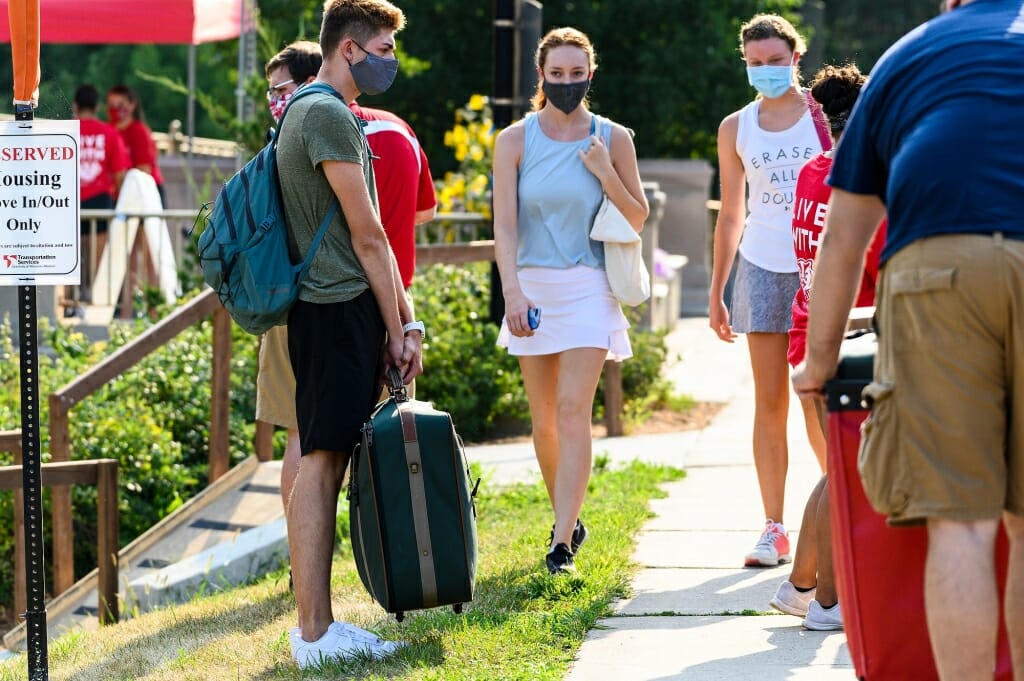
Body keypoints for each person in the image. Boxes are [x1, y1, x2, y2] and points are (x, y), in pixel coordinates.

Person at [793, 1, 1024, 678]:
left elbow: (843, 236)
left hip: (937, 269)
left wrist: (819, 361)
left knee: (961, 522)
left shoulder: (908, 56)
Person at [275, 0, 424, 668]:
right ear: (351, 49)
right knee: (322, 462)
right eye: (385, 47)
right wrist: (402, 327)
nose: (391, 59)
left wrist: (396, 318)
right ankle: (313, 633)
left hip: (332, 307)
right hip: (335, 308)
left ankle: (320, 625)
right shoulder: (328, 113)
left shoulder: (311, 109)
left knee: (326, 458)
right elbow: (369, 234)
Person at [492, 27, 649, 574]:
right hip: (532, 288)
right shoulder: (514, 140)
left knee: (572, 409)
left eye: (575, 74)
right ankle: (570, 514)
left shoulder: (614, 137)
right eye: (556, 75)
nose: (566, 83)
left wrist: (605, 171)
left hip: (588, 285)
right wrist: (511, 291)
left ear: (590, 73)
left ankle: (561, 543)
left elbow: (637, 217)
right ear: (541, 76)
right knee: (543, 422)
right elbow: (505, 228)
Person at [258, 39, 436, 511]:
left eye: (278, 88)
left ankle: (306, 561)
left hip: (316, 299)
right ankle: (393, 553)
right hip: (392, 298)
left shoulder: (304, 126)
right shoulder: (401, 132)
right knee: (392, 436)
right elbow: (422, 214)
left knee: (307, 436)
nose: (274, 100)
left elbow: (351, 232)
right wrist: (404, 325)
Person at [768, 63, 885, 631]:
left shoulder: (812, 174)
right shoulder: (867, 182)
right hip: (851, 336)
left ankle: (799, 589)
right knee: (846, 473)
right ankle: (828, 605)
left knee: (836, 468)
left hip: (807, 330)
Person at [709, 14, 829, 568]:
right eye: (756, 64)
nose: (767, 72)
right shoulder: (736, 126)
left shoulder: (823, 116)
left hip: (819, 267)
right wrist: (718, 290)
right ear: (746, 64)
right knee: (771, 401)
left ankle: (839, 518)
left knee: (817, 399)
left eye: (776, 62)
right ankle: (774, 528)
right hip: (760, 266)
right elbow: (732, 212)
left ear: (796, 59)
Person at [70, 84, 130, 312]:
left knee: (69, 263)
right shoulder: (109, 133)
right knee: (97, 261)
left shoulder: (67, 131)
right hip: (100, 201)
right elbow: (119, 175)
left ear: (75, 106)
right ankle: (97, 309)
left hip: (68, 203)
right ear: (96, 107)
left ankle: (66, 306)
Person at [106, 84, 165, 207]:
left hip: (144, 193)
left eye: (120, 105)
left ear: (132, 105)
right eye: (112, 105)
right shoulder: (108, 131)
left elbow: (144, 171)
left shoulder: (139, 131)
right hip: (119, 195)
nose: (115, 109)